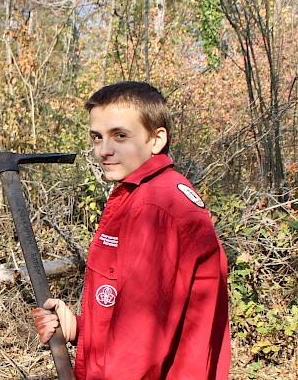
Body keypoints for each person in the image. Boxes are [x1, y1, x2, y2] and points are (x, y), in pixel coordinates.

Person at [32, 81, 231, 379]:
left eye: (120, 136)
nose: (104, 150)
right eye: (97, 137)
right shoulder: (152, 194)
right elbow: (145, 318)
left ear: (156, 139)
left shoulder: (154, 208)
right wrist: (78, 328)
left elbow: (139, 346)